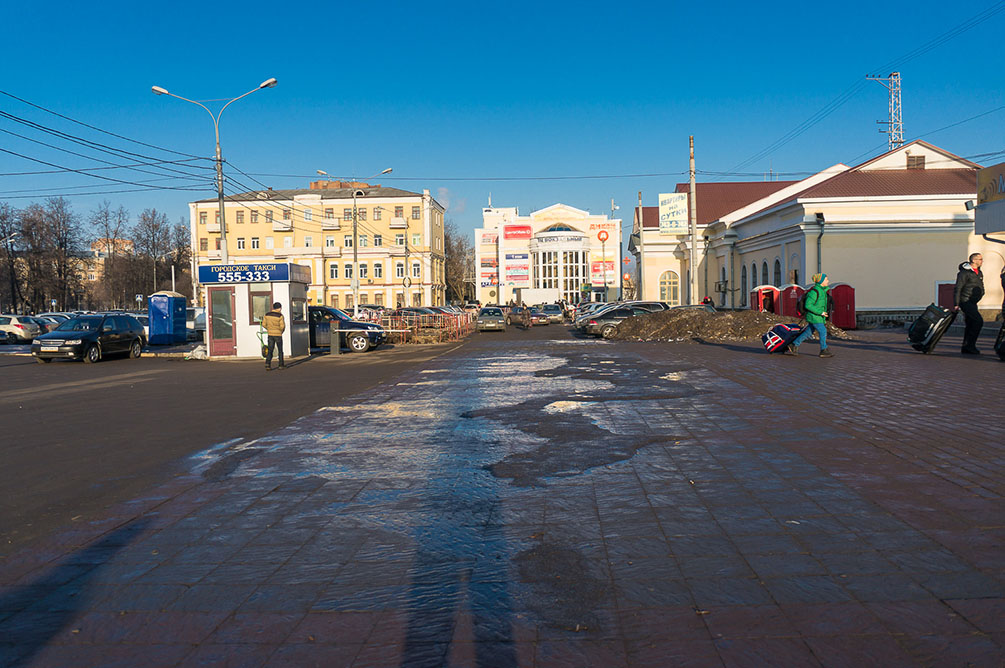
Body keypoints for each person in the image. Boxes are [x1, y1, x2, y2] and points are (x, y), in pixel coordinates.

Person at [786, 273, 833, 358]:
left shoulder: (822, 291)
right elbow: (808, 305)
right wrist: (821, 312)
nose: (828, 281)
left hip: (818, 316)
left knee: (809, 332)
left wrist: (824, 312)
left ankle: (793, 344)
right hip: (814, 316)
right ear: (821, 281)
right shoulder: (814, 292)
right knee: (823, 331)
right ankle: (824, 350)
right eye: (826, 279)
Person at [953, 253, 985, 355]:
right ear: (974, 261)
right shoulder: (964, 273)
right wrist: (956, 303)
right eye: (980, 259)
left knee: (971, 323)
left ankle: (967, 347)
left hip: (973, 301)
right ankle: (970, 345)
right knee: (978, 321)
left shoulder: (978, 272)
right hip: (965, 301)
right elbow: (958, 288)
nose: (982, 261)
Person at [263, 302, 286, 370]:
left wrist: (269, 329)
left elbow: (264, 324)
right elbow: (282, 326)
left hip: (270, 334)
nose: (281, 309)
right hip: (278, 335)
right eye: (280, 308)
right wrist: (280, 331)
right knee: (280, 350)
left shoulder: (267, 315)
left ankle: (268, 364)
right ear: (279, 308)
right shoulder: (280, 316)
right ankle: (281, 365)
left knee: (270, 350)